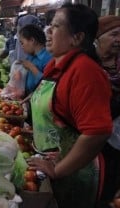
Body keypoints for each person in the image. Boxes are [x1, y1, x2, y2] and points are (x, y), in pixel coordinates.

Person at [26, 3, 113, 208]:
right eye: (49, 25)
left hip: (75, 174)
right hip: (51, 162)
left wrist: (59, 169)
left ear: (77, 37)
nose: (47, 31)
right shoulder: (56, 65)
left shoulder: (85, 72)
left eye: (56, 26)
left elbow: (97, 132)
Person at [95, 15, 120, 208]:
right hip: (93, 136)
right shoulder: (90, 64)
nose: (118, 39)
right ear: (98, 37)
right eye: (114, 34)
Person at [17, 24, 52, 96]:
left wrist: (32, 68)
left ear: (32, 40)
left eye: (22, 43)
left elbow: (48, 85)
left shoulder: (48, 59)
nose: (22, 46)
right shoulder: (30, 57)